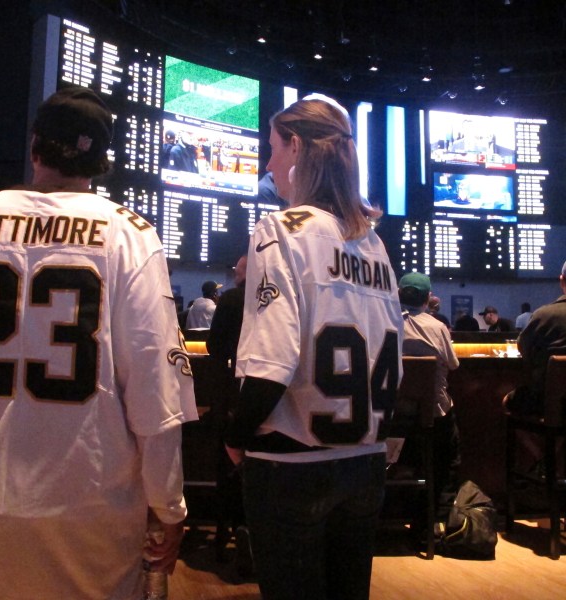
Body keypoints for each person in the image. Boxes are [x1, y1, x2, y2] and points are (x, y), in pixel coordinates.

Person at [0, 86, 198, 600]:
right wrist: (169, 506)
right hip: (89, 514)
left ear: (34, 147)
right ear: (99, 162)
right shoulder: (129, 234)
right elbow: (155, 395)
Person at [224, 96, 403, 600]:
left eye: (274, 148)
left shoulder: (280, 229)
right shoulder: (373, 243)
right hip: (366, 461)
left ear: (297, 146)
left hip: (291, 466)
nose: (269, 164)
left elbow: (271, 364)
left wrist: (234, 435)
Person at [397, 272, 461, 520]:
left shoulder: (383, 321)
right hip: (431, 420)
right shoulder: (438, 327)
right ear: (427, 299)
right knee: (450, 450)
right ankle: (435, 517)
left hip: (390, 418)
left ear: (398, 294)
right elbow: (453, 365)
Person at [206, 255, 252, 573]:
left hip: (235, 394)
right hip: (276, 398)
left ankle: (228, 530)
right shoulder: (285, 296)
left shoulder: (233, 299)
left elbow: (214, 347)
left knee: (229, 465)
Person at [504, 262, 566, 417]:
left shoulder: (543, 315)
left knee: (507, 401)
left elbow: (523, 348)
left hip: (548, 402)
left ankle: (543, 442)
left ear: (561, 280)